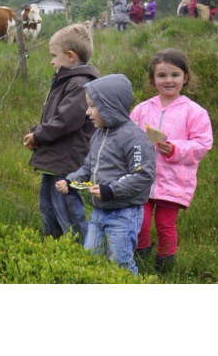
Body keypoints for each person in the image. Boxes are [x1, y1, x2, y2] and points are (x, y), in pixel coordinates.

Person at [56, 75, 156, 275]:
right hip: (98, 213)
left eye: (93, 106)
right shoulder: (99, 135)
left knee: (120, 264)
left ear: (110, 106)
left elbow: (143, 175)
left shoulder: (135, 138)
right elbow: (88, 167)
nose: (87, 112)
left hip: (124, 214)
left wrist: (111, 190)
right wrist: (71, 180)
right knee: (91, 260)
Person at [130, 50, 213, 273]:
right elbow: (128, 138)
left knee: (165, 225)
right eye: (162, 75)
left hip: (174, 180)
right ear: (152, 79)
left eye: (175, 75)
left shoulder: (194, 112)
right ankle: (141, 257)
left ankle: (164, 265)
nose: (168, 80)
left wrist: (175, 148)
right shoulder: (142, 109)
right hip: (142, 178)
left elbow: (202, 144)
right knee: (140, 222)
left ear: (185, 77)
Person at [23, 25, 100, 244]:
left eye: (54, 56)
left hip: (66, 162)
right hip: (55, 158)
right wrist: (38, 134)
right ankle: (54, 249)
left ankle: (82, 253)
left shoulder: (79, 84)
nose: (51, 61)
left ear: (70, 56)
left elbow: (66, 121)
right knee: (47, 207)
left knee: (67, 210)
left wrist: (38, 135)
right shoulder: (67, 81)